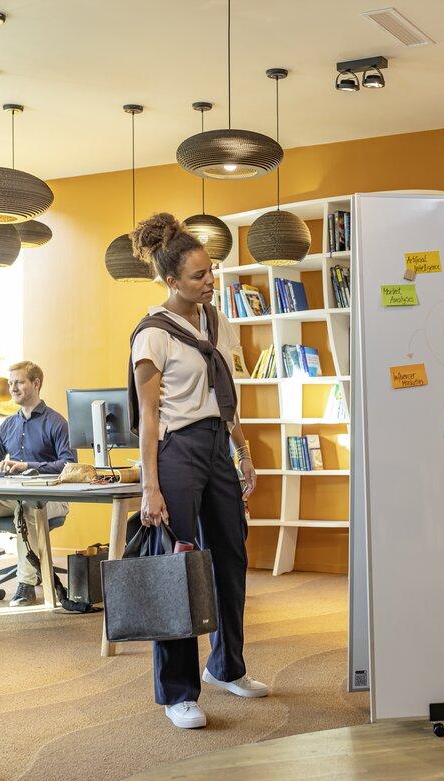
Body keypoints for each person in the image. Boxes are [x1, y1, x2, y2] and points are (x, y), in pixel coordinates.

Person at [127, 212, 268, 730]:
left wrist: (244, 450)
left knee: (231, 556)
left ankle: (226, 666)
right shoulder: (152, 336)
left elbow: (225, 397)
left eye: (211, 272)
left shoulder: (214, 321)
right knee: (176, 569)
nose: (211, 281)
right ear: (171, 281)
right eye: (199, 276)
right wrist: (151, 488)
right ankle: (178, 692)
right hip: (176, 451)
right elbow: (149, 419)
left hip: (215, 446)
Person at [0, 361, 76, 606]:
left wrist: (28, 466)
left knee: (28, 508)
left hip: (51, 498)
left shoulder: (56, 422)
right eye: (11, 383)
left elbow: (69, 464)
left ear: (36, 383)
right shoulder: (9, 425)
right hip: (14, 496)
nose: (12, 388)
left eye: (19, 382)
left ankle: (26, 583)